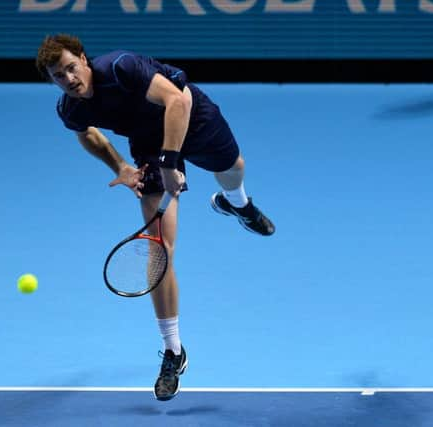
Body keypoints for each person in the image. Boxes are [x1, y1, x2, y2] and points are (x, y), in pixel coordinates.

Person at [35, 34, 275, 401]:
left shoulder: (120, 67)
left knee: (233, 169)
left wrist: (169, 162)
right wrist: (122, 166)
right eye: (58, 76)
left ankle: (237, 204)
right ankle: (173, 352)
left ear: (84, 59)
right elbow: (88, 136)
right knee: (158, 247)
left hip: (191, 117)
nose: (68, 78)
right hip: (147, 143)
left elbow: (175, 100)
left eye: (71, 67)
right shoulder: (71, 110)